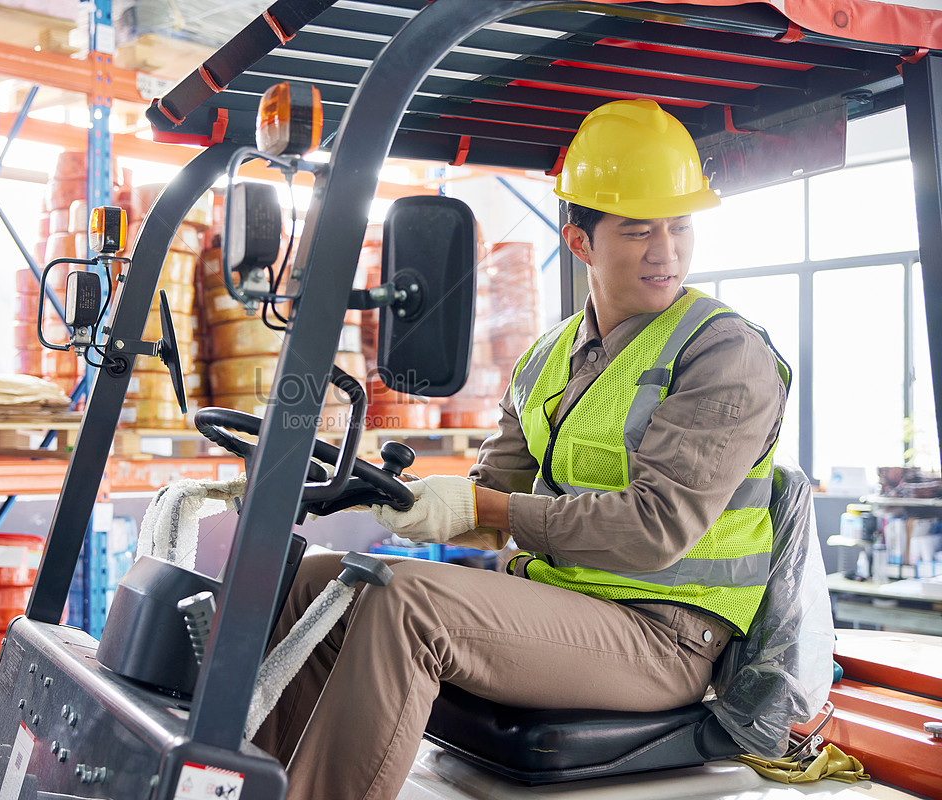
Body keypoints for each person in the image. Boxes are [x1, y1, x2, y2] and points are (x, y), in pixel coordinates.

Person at [251, 98, 790, 800]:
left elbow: (656, 529)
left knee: (403, 602)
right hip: (562, 607)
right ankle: (253, 783)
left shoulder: (723, 352)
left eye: (679, 226)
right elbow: (492, 490)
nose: (667, 252)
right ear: (580, 242)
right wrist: (392, 497)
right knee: (320, 576)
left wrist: (487, 507)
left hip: (664, 637)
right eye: (637, 231)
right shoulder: (546, 358)